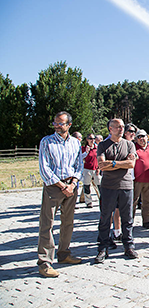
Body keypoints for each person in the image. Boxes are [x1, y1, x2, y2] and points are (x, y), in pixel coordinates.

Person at [37, 111, 83, 277]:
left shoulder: (75, 143)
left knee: (68, 222)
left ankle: (64, 254)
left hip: (71, 186)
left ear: (69, 125)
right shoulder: (46, 142)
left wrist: (72, 184)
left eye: (61, 123)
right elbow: (44, 168)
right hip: (54, 186)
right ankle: (44, 262)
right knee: (47, 224)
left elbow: (79, 165)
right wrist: (61, 185)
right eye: (55, 123)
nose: (57, 126)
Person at [95, 118, 138, 263]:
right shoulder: (103, 145)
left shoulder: (130, 145)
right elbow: (101, 165)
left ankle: (128, 245)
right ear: (110, 129)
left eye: (122, 127)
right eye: (117, 127)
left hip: (126, 185)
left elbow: (131, 164)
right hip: (108, 186)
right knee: (105, 217)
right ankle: (103, 247)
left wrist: (112, 163)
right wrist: (121, 163)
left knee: (127, 218)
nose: (121, 129)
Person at [81, 133, 101, 208]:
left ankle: (102, 199)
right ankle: (88, 201)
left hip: (95, 169)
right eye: (90, 138)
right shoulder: (83, 148)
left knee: (99, 185)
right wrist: (86, 152)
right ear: (87, 139)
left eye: (93, 138)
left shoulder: (97, 148)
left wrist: (99, 168)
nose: (92, 140)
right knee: (86, 186)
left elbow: (100, 158)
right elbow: (80, 158)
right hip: (86, 169)